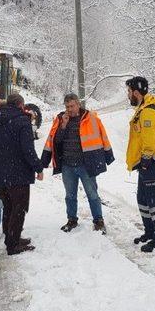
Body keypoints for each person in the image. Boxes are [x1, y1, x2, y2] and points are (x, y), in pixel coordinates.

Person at [41, 93, 114, 233]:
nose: (69, 109)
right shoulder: (60, 119)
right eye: (67, 106)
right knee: (70, 195)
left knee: (92, 194)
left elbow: (103, 135)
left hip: (86, 165)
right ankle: (72, 220)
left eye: (72, 106)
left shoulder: (91, 117)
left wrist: (108, 155)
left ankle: (98, 221)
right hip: (67, 165)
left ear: (78, 104)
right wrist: (63, 125)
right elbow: (55, 141)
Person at [0, 93, 43, 255]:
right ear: (21, 106)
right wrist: (38, 167)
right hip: (18, 175)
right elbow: (28, 150)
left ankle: (11, 237)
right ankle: (13, 245)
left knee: (8, 206)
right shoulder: (23, 122)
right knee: (18, 208)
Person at [125, 76, 155, 253]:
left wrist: (145, 161)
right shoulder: (143, 108)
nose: (128, 95)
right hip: (145, 163)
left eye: (129, 92)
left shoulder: (149, 111)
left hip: (152, 163)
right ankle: (150, 233)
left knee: (154, 202)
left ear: (136, 92)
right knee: (143, 199)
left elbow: (149, 140)